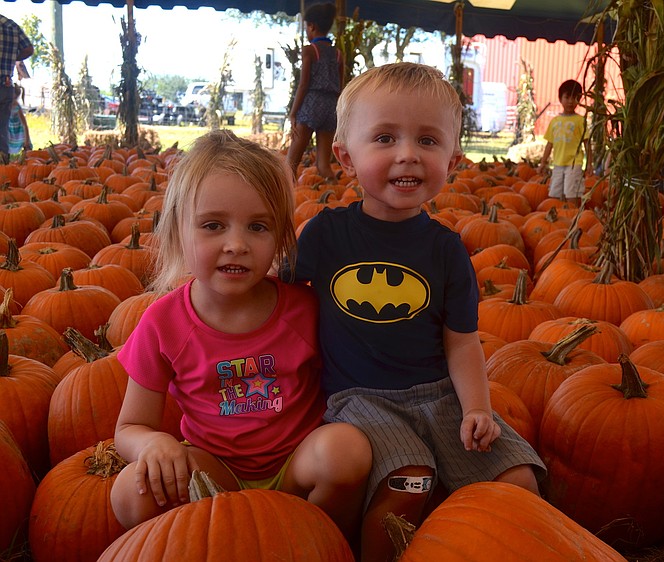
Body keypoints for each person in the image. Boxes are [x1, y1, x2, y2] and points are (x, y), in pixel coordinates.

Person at [292, 62, 546, 562]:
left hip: (440, 397)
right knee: (410, 481)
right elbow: (276, 302)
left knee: (517, 481)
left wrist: (477, 408)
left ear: (451, 159)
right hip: (362, 401)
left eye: (428, 141)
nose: (407, 155)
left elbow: (461, 340)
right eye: (385, 138)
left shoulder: (446, 249)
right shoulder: (325, 236)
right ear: (346, 156)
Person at [110, 130, 372, 545]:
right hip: (216, 474)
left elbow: (348, 388)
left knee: (347, 451)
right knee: (130, 493)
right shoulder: (162, 324)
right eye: (213, 225)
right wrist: (155, 443)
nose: (236, 244)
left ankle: (319, 542)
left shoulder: (304, 310)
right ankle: (213, 542)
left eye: (258, 226)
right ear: (179, 230)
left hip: (296, 467)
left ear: (281, 237)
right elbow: (130, 426)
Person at [286, 2, 343, 181]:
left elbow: (303, 85)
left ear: (312, 26)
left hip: (312, 104)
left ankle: (285, 199)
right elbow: (341, 87)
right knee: (323, 164)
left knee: (291, 163)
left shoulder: (310, 50)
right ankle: (335, 194)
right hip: (330, 106)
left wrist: (293, 114)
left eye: (306, 27)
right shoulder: (339, 54)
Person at [537, 79, 590, 207]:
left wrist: (589, 164)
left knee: (572, 194)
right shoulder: (555, 121)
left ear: (580, 99)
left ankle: (572, 216)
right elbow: (550, 144)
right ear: (560, 98)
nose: (570, 101)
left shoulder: (580, 121)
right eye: (567, 97)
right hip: (558, 164)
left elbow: (587, 144)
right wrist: (543, 162)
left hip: (574, 164)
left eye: (574, 97)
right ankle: (558, 218)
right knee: (555, 193)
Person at [0, 15, 33, 163]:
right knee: (2, 130)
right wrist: (13, 58)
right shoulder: (10, 25)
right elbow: (29, 49)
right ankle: (3, 168)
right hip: (5, 85)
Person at [8, 84, 30, 156]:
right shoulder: (5, 105)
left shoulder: (17, 107)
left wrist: (26, 140)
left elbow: (24, 124)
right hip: (10, 131)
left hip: (18, 133)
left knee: (27, 153)